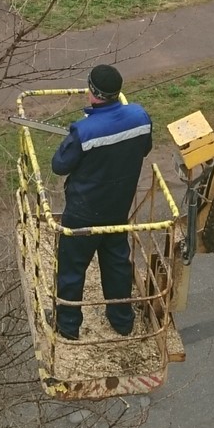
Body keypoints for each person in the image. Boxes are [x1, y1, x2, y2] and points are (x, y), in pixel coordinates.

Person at [49, 63, 152, 339]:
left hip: (83, 213)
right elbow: (144, 148)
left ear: (92, 92)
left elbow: (59, 165)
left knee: (72, 269)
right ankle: (122, 321)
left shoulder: (84, 132)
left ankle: (68, 326)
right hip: (118, 208)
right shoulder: (140, 117)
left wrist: (73, 141)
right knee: (117, 264)